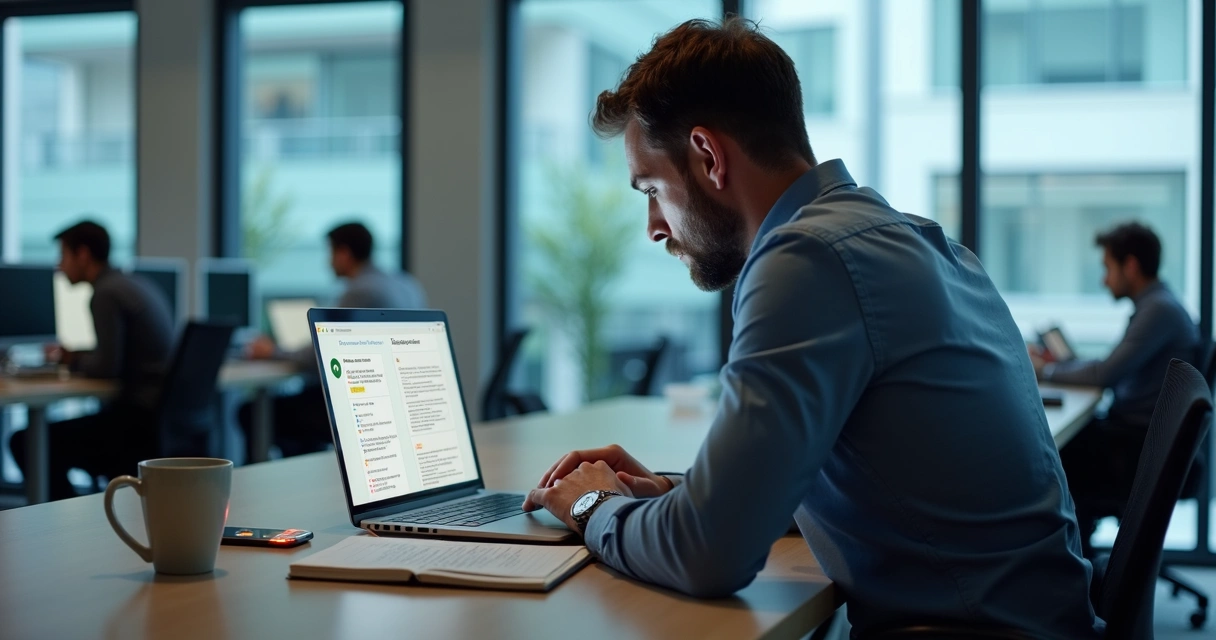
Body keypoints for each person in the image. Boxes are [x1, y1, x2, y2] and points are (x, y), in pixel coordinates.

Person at [520, 18, 1103, 637]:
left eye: (653, 189)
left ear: (709, 157)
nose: (654, 227)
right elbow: (858, 475)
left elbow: (710, 552)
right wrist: (673, 491)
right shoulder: (914, 239)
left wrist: (591, 505)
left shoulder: (806, 261)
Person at [1033, 222, 1200, 555]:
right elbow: (1112, 368)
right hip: (1136, 438)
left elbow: (1106, 373)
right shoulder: (1158, 306)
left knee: (1044, 455)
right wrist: (1067, 366)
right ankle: (1073, 561)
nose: (1104, 279)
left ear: (1132, 265)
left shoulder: (1159, 310)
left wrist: (1047, 369)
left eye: (1108, 267)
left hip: (1134, 447)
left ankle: (1067, 570)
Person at [9, 221, 175, 500]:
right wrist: (78, 357)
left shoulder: (106, 292)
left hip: (135, 426)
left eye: (63, 256)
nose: (59, 267)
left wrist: (70, 361)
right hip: (158, 420)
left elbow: (106, 368)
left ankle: (61, 523)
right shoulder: (132, 284)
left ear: (83, 255)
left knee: (24, 441)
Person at [240, 221, 427, 458]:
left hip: (363, 405)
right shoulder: (406, 284)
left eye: (330, 253)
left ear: (344, 253)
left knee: (250, 412)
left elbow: (320, 354)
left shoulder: (361, 290)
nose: (328, 262)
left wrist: (273, 351)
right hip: (399, 401)